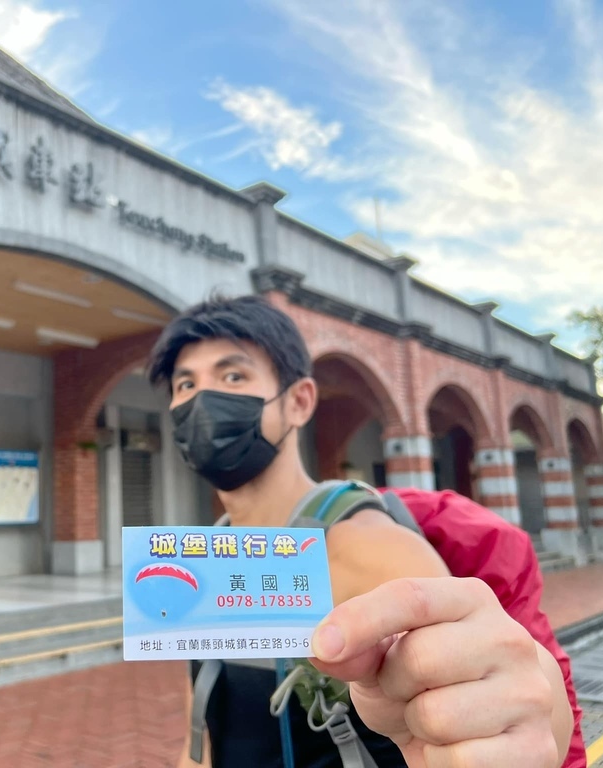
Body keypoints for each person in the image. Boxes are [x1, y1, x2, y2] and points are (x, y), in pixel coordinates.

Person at [144, 294, 574, 768]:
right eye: (185, 384)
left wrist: (528, 711)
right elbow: (201, 738)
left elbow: (500, 714)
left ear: (299, 402)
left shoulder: (366, 545)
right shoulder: (206, 559)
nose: (203, 401)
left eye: (233, 376)